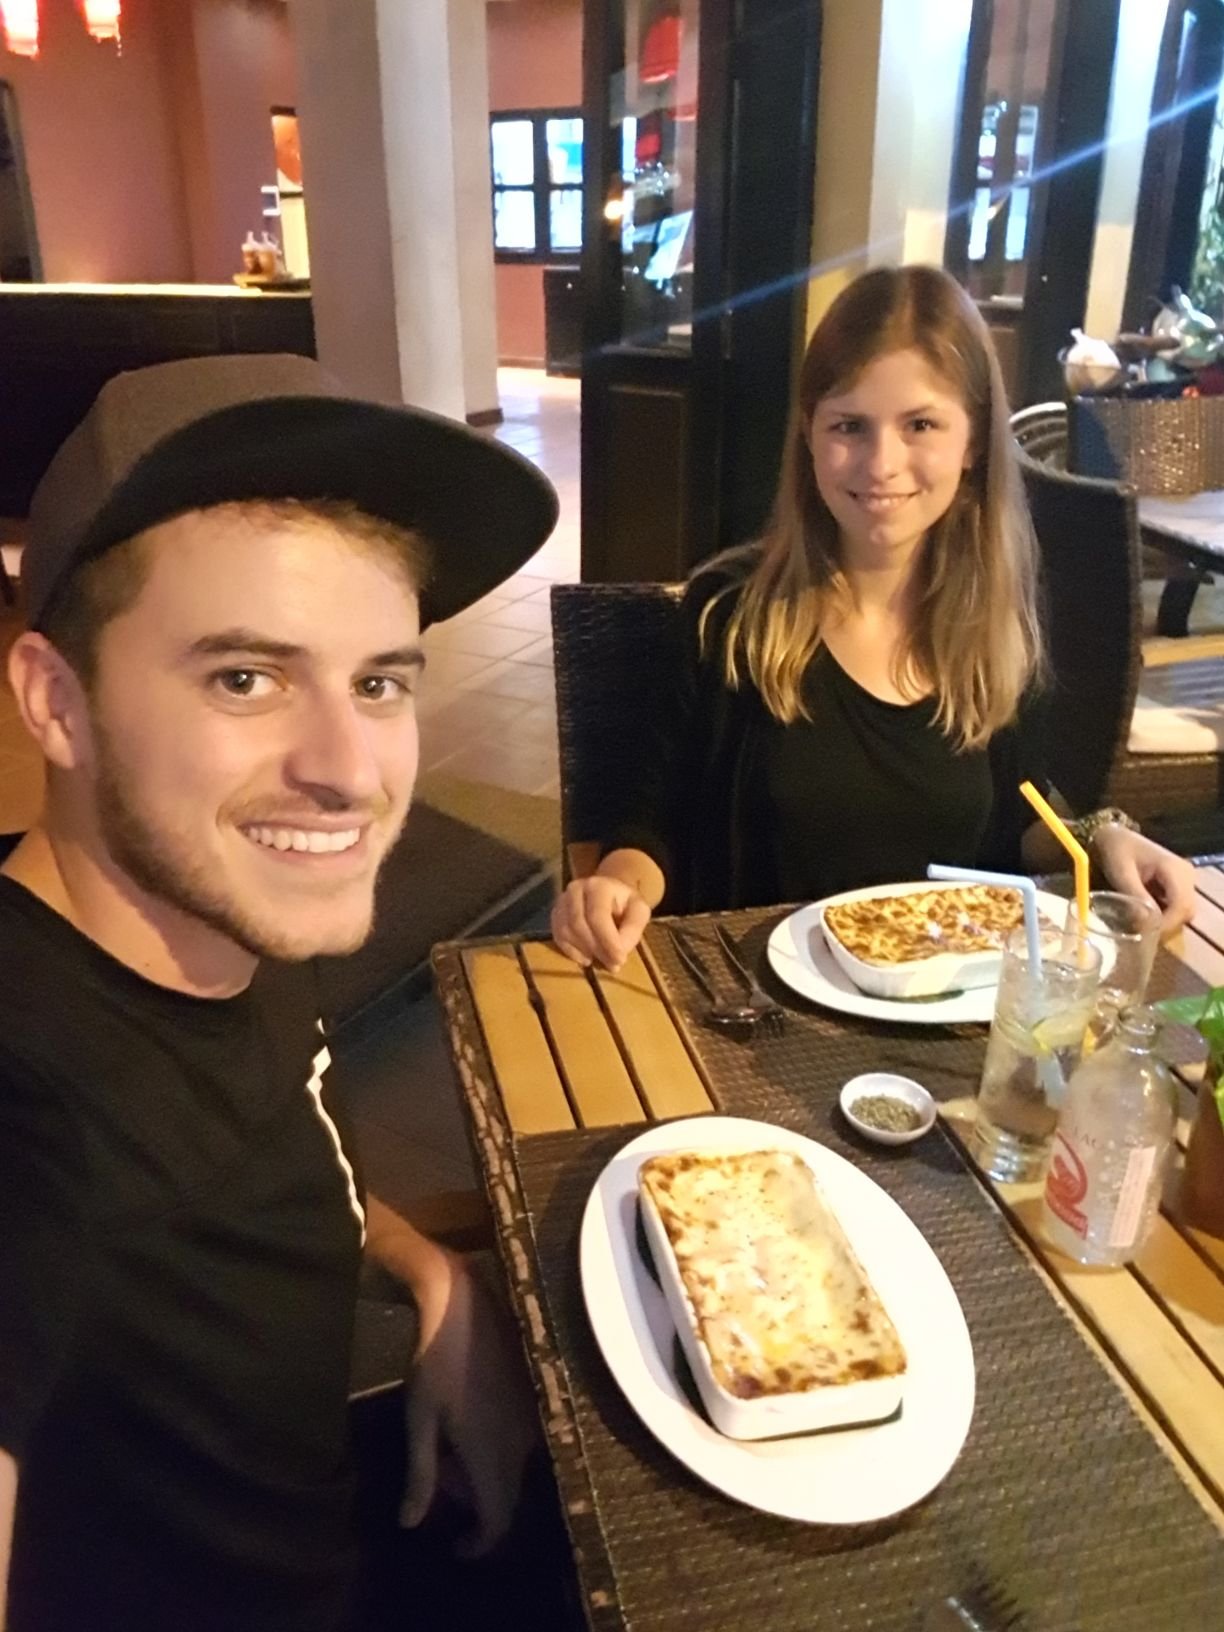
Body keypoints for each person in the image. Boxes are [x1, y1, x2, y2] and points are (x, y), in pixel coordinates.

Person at [0, 353, 559, 1631]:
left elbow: (274, 1156)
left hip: (356, 1515)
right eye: (244, 678)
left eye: (378, 683)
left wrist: (428, 1273)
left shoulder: (215, 912)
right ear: (55, 701)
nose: (349, 771)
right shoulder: (36, 1114)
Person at [551, 264, 1196, 972]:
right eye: (849, 426)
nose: (881, 463)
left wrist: (1103, 838)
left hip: (949, 1000)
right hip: (753, 1003)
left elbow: (1022, 812)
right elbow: (650, 826)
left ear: (974, 441)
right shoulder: (730, 618)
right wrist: (615, 886)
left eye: (920, 424)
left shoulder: (996, 625)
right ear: (808, 434)